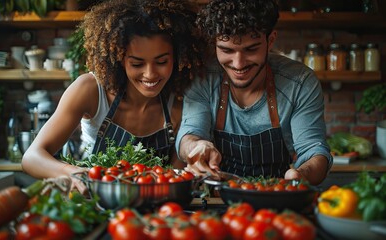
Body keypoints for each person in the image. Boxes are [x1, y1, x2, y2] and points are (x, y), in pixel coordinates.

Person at [22, 0, 205, 194]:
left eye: (161, 62)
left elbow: (175, 175)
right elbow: (32, 157)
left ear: (177, 57)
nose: (150, 74)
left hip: (154, 207)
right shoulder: (90, 89)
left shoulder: (178, 101)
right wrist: (72, 172)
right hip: (95, 201)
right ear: (119, 58)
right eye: (137, 64)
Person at [176, 0, 332, 185]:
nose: (238, 64)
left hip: (278, 198)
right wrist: (197, 146)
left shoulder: (300, 82)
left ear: (270, 40)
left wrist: (302, 175)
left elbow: (314, 150)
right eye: (226, 50)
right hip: (219, 197)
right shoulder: (203, 78)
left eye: (251, 49)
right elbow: (189, 134)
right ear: (215, 44)